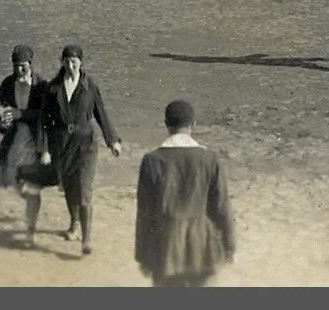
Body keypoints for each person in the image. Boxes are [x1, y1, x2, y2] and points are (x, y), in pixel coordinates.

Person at [134, 100, 236, 287]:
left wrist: (143, 255)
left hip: (165, 246)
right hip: (202, 246)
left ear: (166, 124)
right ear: (193, 125)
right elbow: (221, 206)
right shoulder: (209, 159)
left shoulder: (152, 160)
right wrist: (229, 245)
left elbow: (144, 213)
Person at [33, 45, 121, 256]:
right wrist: (43, 149)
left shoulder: (89, 86)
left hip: (85, 145)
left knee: (84, 189)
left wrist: (112, 140)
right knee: (70, 187)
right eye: (67, 61)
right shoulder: (53, 88)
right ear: (62, 62)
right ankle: (74, 222)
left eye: (75, 61)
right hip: (61, 145)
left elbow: (101, 112)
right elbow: (43, 120)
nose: (71, 65)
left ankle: (86, 239)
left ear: (81, 63)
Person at [0, 44, 48, 247]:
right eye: (15, 66)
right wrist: (2, 121)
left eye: (23, 66)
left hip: (35, 142)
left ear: (30, 64)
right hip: (15, 142)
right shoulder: (8, 83)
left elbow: (45, 115)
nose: (19, 71)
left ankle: (30, 231)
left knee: (32, 189)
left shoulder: (41, 85)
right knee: (15, 182)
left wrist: (20, 114)